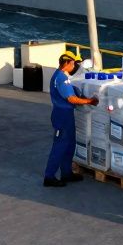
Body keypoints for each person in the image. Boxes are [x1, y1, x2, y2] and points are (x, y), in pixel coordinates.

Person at [44, 53, 98, 187]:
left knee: (69, 144)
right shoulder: (61, 78)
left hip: (67, 114)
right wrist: (89, 101)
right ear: (66, 63)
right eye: (73, 63)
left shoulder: (62, 77)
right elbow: (71, 99)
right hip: (62, 115)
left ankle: (66, 173)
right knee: (60, 146)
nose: (74, 66)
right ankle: (49, 177)